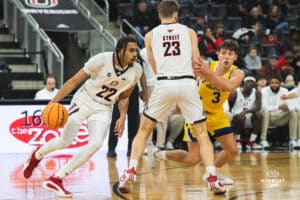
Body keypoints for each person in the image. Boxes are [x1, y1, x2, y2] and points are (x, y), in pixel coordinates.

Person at [118, 0, 226, 194]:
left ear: (159, 15)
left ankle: (130, 172)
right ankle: (211, 176)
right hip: (186, 83)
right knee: (202, 132)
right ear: (176, 14)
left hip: (164, 82)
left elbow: (154, 65)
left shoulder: (150, 36)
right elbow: (197, 61)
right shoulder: (189, 32)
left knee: (143, 130)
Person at [22, 35, 143, 198]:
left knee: (96, 143)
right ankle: (37, 155)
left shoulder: (136, 70)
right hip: (84, 100)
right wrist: (52, 102)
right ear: (120, 51)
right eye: (131, 50)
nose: (135, 54)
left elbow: (124, 96)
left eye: (136, 50)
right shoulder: (101, 60)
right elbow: (73, 81)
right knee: (66, 141)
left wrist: (122, 116)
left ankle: (57, 178)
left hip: (104, 107)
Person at [146, 39, 244, 185]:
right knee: (193, 159)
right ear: (218, 54)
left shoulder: (237, 72)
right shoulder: (207, 65)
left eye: (230, 54)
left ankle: (213, 172)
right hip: (197, 115)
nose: (227, 57)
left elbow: (229, 86)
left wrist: (208, 74)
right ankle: (157, 154)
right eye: (224, 53)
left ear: (235, 57)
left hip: (217, 114)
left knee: (232, 151)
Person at [260, 76, 297, 149]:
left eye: (276, 83)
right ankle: (263, 140)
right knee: (266, 112)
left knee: (293, 112)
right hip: (268, 117)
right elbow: (264, 107)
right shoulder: (264, 90)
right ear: (269, 83)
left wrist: (287, 107)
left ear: (280, 84)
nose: (274, 85)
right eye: (272, 83)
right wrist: (278, 107)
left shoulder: (285, 90)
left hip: (280, 117)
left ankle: (293, 140)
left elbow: (290, 104)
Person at [230, 76, 262, 150]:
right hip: (237, 117)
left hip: (250, 116)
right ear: (244, 83)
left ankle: (252, 141)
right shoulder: (236, 92)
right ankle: (237, 140)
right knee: (241, 116)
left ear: (254, 84)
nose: (250, 83)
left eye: (252, 82)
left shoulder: (257, 92)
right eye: (248, 81)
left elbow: (258, 107)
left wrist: (246, 111)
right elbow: (230, 106)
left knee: (259, 115)